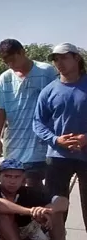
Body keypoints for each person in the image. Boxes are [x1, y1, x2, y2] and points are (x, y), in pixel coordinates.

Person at [34, 42, 87, 230]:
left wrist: (85, 138)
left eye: (64, 57)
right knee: (55, 205)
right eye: (56, 59)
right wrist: (57, 140)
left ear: (77, 58)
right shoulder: (49, 90)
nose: (59, 62)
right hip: (58, 157)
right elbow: (38, 123)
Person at [0, 39, 58, 187]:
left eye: (12, 59)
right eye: (6, 62)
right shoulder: (5, 78)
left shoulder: (46, 72)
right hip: (14, 144)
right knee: (14, 189)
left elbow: (57, 104)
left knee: (33, 185)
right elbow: (0, 110)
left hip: (40, 142)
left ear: (22, 52)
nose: (10, 65)